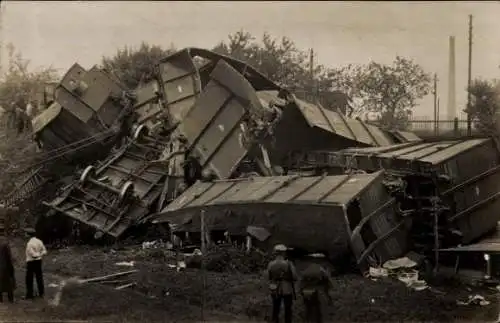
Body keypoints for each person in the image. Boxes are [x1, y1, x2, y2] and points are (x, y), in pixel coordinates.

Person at [267, 244, 298, 323]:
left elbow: (269, 277)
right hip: (286, 288)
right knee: (288, 309)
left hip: (275, 288)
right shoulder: (289, 263)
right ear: (283, 253)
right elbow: (295, 277)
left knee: (275, 308)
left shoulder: (271, 264)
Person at [299, 258, 334, 323]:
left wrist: (301, 291)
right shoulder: (321, 269)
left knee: (307, 308)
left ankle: (307, 319)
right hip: (317, 292)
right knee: (320, 309)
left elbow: (301, 282)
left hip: (306, 291)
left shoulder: (307, 270)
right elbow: (327, 279)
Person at [24, 228, 47, 299]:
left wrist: (38, 255)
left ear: (28, 235)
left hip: (31, 262)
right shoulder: (39, 241)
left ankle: (29, 295)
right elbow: (45, 251)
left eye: (26, 233)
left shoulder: (29, 244)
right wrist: (40, 254)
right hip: (38, 262)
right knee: (39, 277)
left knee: (29, 279)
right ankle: (41, 293)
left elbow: (33, 255)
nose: (25, 234)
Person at [0, 236, 16, 303]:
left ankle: (0, 299)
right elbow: (9, 257)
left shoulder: (4, 244)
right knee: (9, 283)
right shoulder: (5, 244)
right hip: (5, 267)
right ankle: (10, 299)